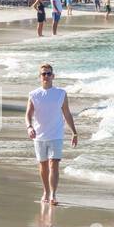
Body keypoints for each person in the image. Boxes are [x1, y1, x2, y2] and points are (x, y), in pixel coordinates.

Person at [25, 64, 78, 205]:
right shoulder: (34, 94)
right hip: (39, 135)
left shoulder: (61, 93)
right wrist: (29, 127)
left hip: (56, 134)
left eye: (49, 74)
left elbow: (67, 113)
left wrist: (74, 132)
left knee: (54, 164)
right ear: (40, 76)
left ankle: (53, 194)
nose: (46, 76)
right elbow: (28, 114)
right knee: (43, 166)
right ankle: (46, 192)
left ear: (53, 76)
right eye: (44, 74)